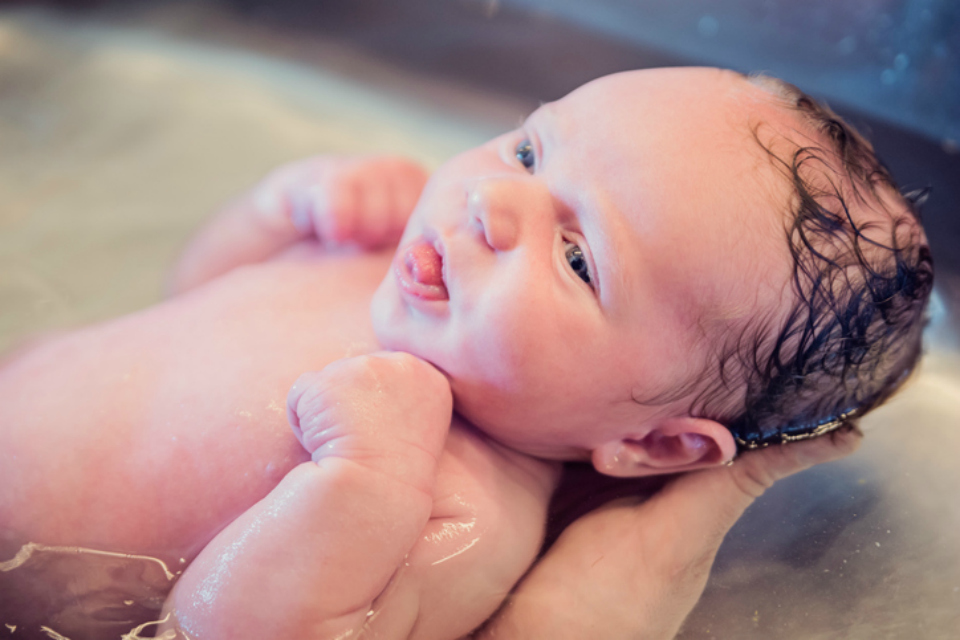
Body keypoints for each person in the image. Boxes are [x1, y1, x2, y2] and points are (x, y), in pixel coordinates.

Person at [0, 67, 930, 640]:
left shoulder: (463, 510)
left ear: (652, 445)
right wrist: (279, 212)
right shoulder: (398, 259)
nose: (495, 203)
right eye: (529, 152)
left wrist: (366, 480)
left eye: (577, 259)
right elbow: (193, 296)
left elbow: (210, 630)